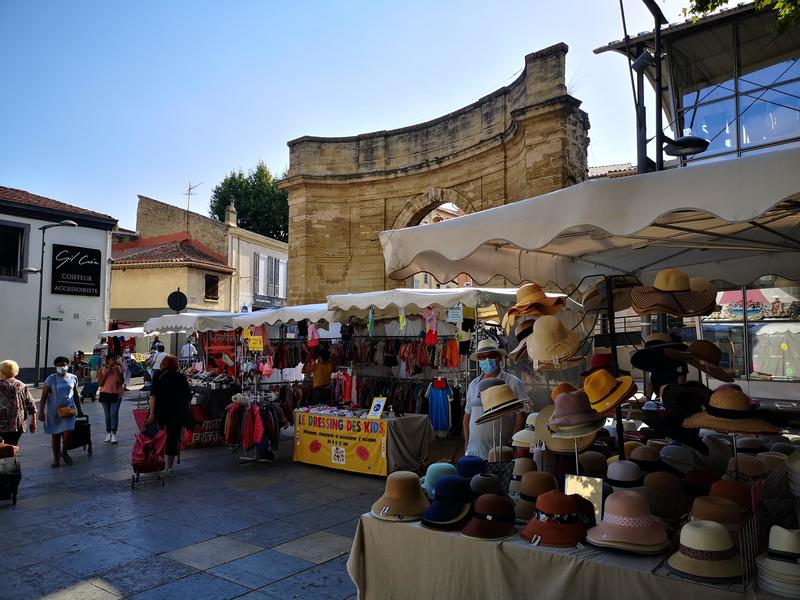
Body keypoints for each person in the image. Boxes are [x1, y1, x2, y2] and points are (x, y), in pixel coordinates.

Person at [463, 339, 527, 459]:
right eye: (483, 357)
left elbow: (522, 414)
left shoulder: (513, 383)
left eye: (491, 355)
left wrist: (513, 438)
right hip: (475, 451)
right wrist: (467, 442)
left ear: (499, 358)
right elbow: (467, 416)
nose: (487, 359)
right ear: (478, 360)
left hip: (502, 450)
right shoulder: (473, 385)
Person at [146, 354, 190, 477]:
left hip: (160, 411)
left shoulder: (157, 376)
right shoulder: (181, 377)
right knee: (172, 439)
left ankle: (157, 462)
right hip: (176, 412)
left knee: (157, 437)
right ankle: (169, 467)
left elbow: (153, 396)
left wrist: (152, 413)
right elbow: (187, 396)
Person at [39, 356, 83, 467]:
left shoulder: (73, 377)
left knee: (69, 431)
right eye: (59, 365)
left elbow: (76, 394)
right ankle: (56, 459)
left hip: (68, 409)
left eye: (64, 364)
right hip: (54, 411)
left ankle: (64, 451)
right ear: (55, 367)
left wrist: (79, 408)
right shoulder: (51, 379)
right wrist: (41, 411)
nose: (62, 367)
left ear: (68, 365)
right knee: (56, 435)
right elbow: (44, 396)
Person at [0, 360, 37, 445]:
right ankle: (12, 458)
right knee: (11, 447)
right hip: (17, 424)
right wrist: (33, 421)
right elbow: (31, 404)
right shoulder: (21, 385)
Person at [97, 354, 125, 443]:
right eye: (113, 359)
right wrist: (108, 370)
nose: (114, 361)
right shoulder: (102, 369)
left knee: (114, 414)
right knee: (107, 415)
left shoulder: (118, 369)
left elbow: (121, 381)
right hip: (105, 393)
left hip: (116, 394)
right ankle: (108, 432)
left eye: (115, 359)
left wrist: (118, 370)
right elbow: (100, 383)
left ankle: (114, 433)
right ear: (108, 361)